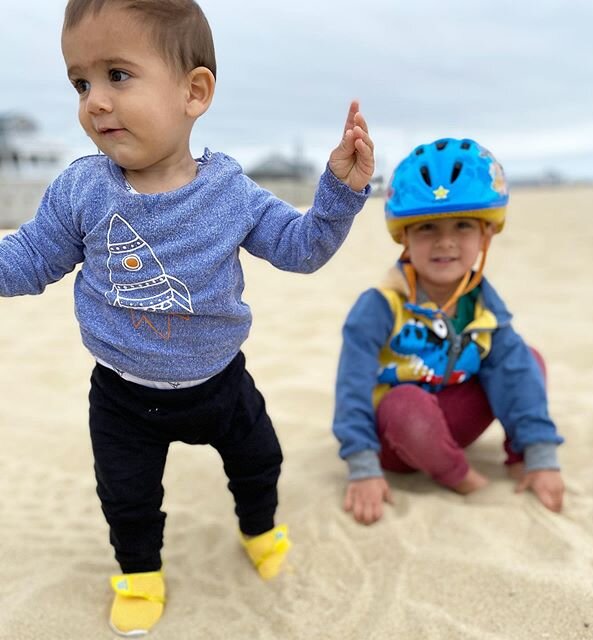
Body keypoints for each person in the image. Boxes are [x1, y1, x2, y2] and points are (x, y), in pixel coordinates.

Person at [0, 0, 374, 634]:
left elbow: (302, 248)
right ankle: (140, 575)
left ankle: (258, 529)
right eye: (81, 82)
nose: (94, 100)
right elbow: (30, 258)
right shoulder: (82, 189)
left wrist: (338, 195)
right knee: (128, 497)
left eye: (118, 75)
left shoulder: (231, 192)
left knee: (260, 461)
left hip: (220, 382)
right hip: (121, 393)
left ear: (194, 92)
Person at [332, 138, 564, 526]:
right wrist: (363, 468)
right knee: (404, 403)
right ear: (404, 236)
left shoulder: (485, 305)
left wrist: (542, 454)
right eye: (427, 228)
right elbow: (351, 386)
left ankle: (522, 457)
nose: (445, 241)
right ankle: (459, 477)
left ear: (486, 235)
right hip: (397, 438)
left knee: (527, 358)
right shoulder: (380, 305)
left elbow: (517, 375)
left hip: (453, 419)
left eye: (462, 225)